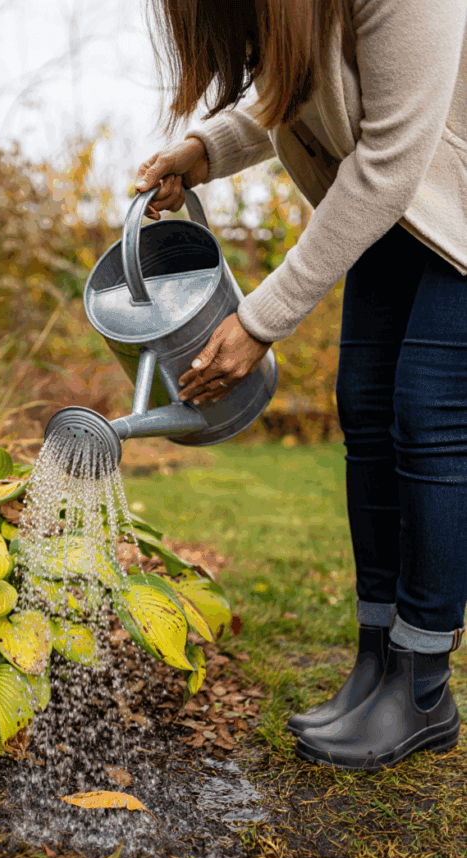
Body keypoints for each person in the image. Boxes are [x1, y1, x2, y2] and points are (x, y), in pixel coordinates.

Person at [134, 0, 467, 771]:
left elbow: (390, 150)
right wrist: (202, 150)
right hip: (401, 216)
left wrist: (260, 319)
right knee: (365, 408)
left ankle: (421, 684)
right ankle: (376, 663)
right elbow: (304, 92)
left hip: (440, 198)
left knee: (427, 415)